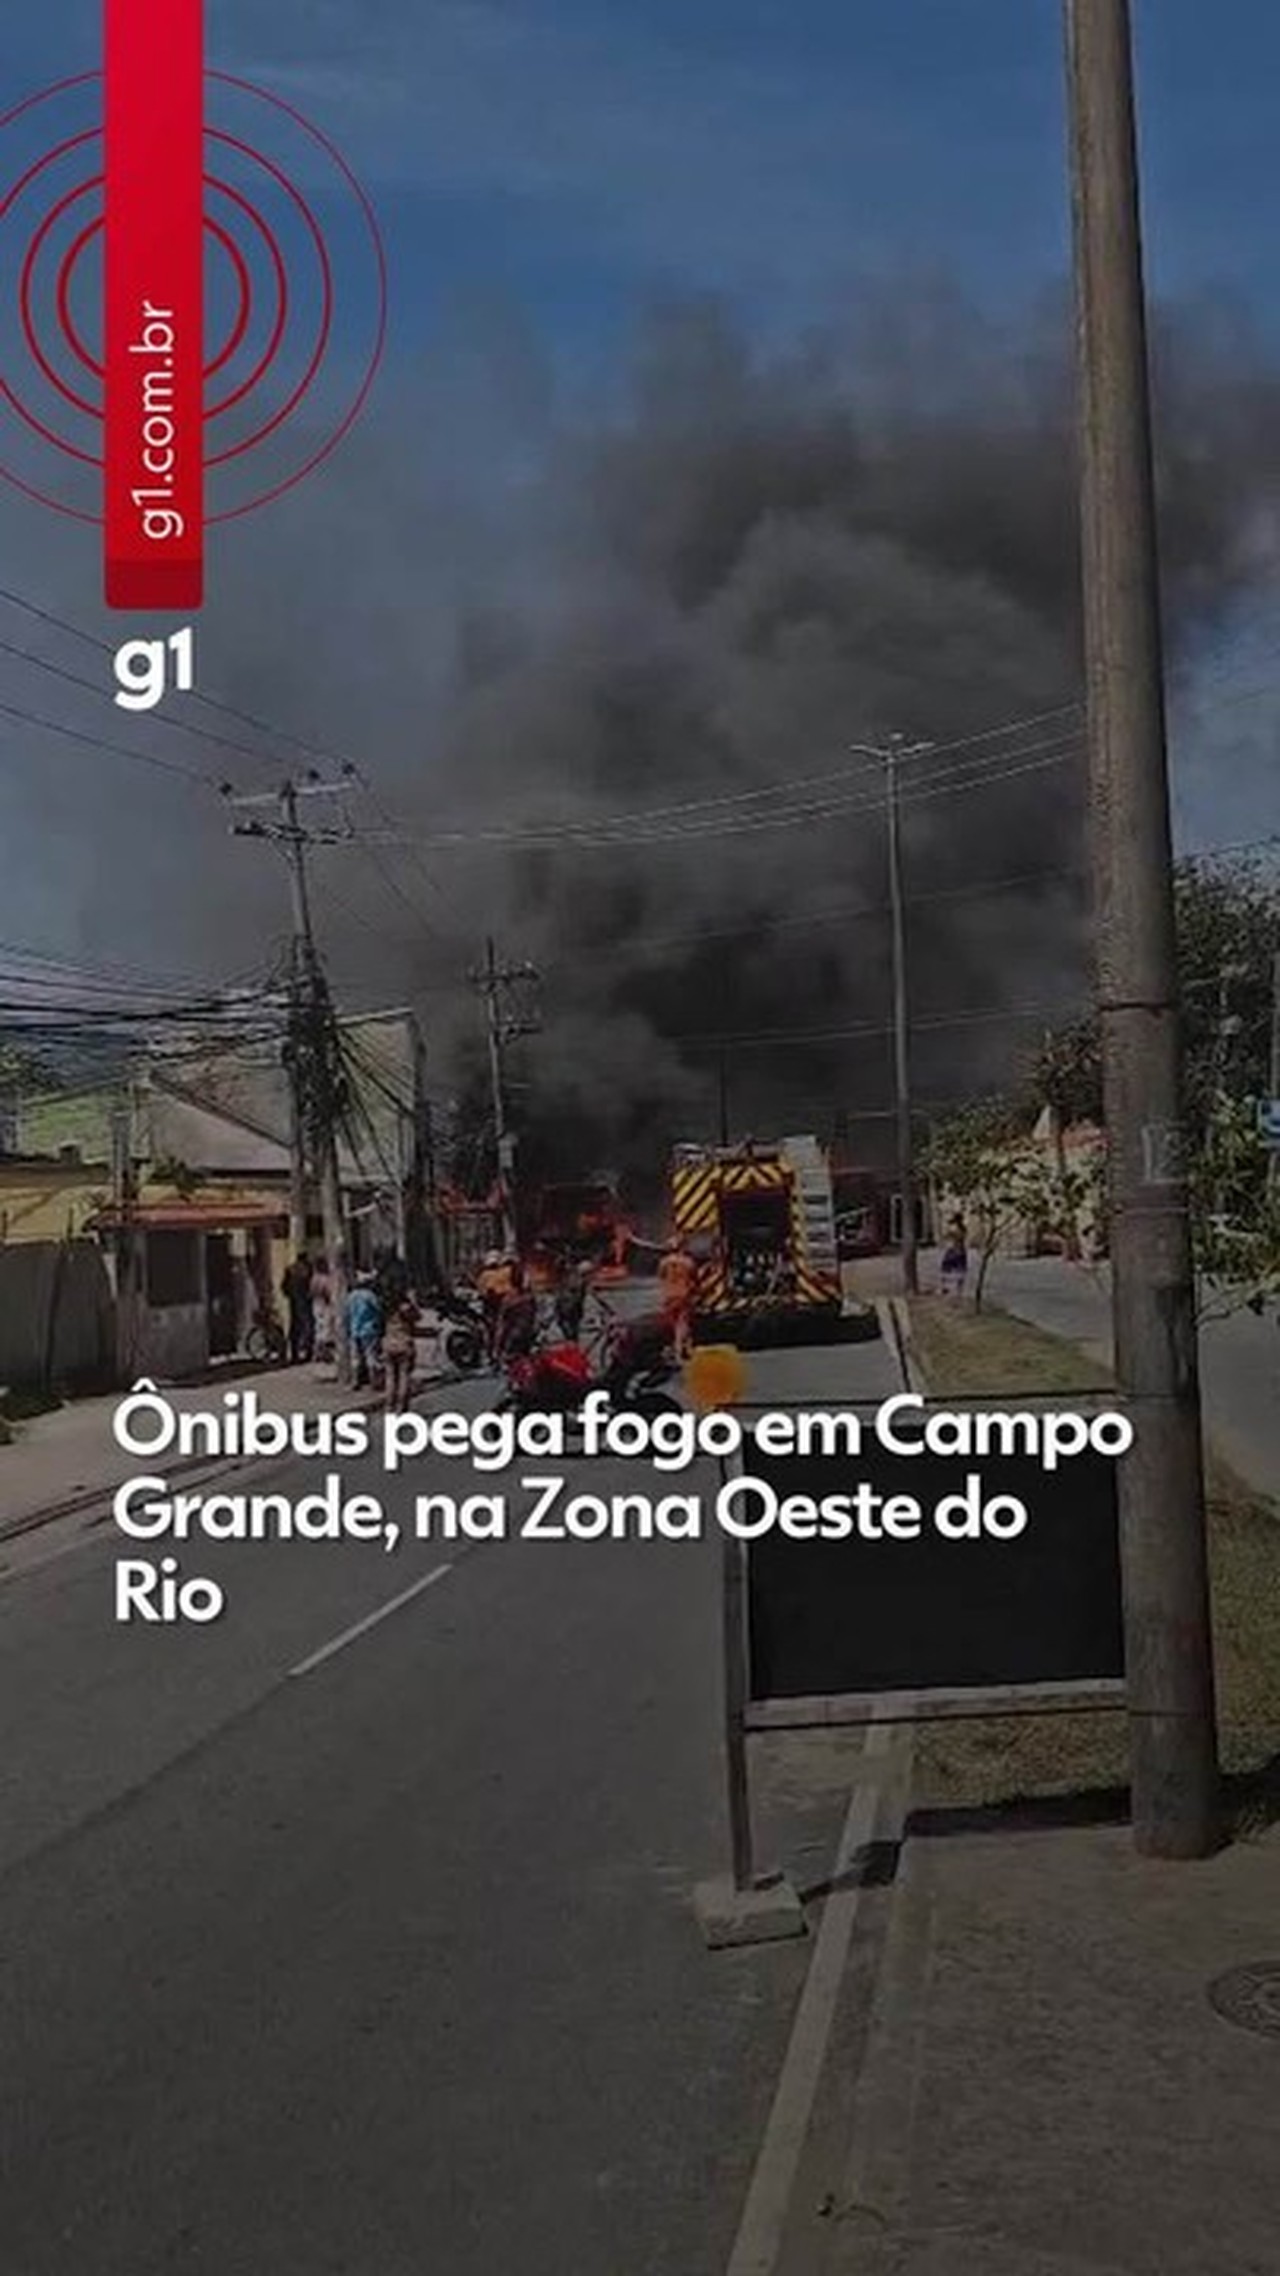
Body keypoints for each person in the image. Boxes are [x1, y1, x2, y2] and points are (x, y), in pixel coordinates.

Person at [657, 1235, 698, 1359]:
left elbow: (661, 1276)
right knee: (683, 1322)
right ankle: (679, 1348)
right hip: (683, 1294)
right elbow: (694, 1278)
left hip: (668, 1295)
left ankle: (683, 1347)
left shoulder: (663, 1262)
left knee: (672, 1323)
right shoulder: (688, 1262)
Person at [381, 1287, 420, 1414]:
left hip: (388, 1344)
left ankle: (389, 1406)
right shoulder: (406, 1309)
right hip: (404, 1344)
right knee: (404, 1376)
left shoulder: (386, 1309)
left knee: (390, 1377)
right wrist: (413, 1302)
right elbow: (418, 1317)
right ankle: (401, 1406)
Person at [476, 1249, 515, 1367]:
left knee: (492, 1330)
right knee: (498, 1329)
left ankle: (493, 1354)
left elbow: (481, 1291)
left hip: (494, 1306)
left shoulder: (485, 1275)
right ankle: (496, 1354)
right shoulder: (505, 1272)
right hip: (501, 1305)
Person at [345, 1272, 383, 1389]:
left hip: (354, 1329)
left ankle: (355, 1381)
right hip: (369, 1329)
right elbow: (378, 1310)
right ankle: (374, 1381)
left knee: (355, 1357)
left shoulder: (351, 1296)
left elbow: (347, 1313)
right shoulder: (370, 1296)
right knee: (370, 1355)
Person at [281, 1254, 315, 1364]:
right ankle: (308, 1352)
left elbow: (284, 1287)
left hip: (293, 1301)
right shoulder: (307, 1269)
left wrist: (290, 1294)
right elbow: (311, 1286)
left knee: (295, 1327)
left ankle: (295, 1354)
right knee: (308, 1325)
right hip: (305, 1301)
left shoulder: (290, 1269)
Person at [939, 1216, 968, 1300]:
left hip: (954, 1251)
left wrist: (948, 1234)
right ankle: (959, 1290)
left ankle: (944, 1287)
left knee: (945, 1267)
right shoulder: (963, 1229)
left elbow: (947, 1236)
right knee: (960, 1269)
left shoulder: (956, 1230)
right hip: (960, 1251)